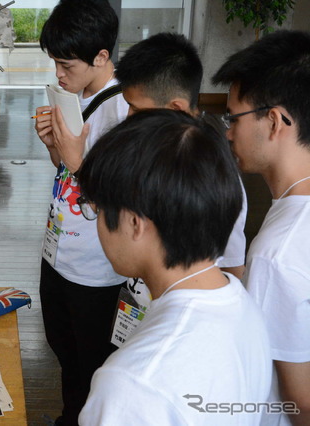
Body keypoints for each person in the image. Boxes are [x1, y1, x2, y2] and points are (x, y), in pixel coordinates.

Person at [76, 109, 272, 425]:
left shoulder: (132, 385)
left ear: (134, 222)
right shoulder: (244, 308)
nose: (97, 223)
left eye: (97, 209)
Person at [33, 1, 128, 424]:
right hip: (59, 252)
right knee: (63, 350)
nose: (58, 73)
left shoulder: (124, 111)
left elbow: (121, 201)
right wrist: (53, 145)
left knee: (92, 364)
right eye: (54, 62)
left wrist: (75, 160)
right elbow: (66, 171)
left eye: (66, 64)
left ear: (102, 57)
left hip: (97, 268)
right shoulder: (74, 95)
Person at [212, 30, 310, 425]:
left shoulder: (278, 252)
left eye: (233, 118)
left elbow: (301, 401)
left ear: (274, 121)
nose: (228, 131)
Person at [113, 32, 247, 314]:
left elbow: (233, 267)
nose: (128, 118)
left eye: (136, 108)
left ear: (176, 108)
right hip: (137, 310)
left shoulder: (213, 174)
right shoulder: (146, 148)